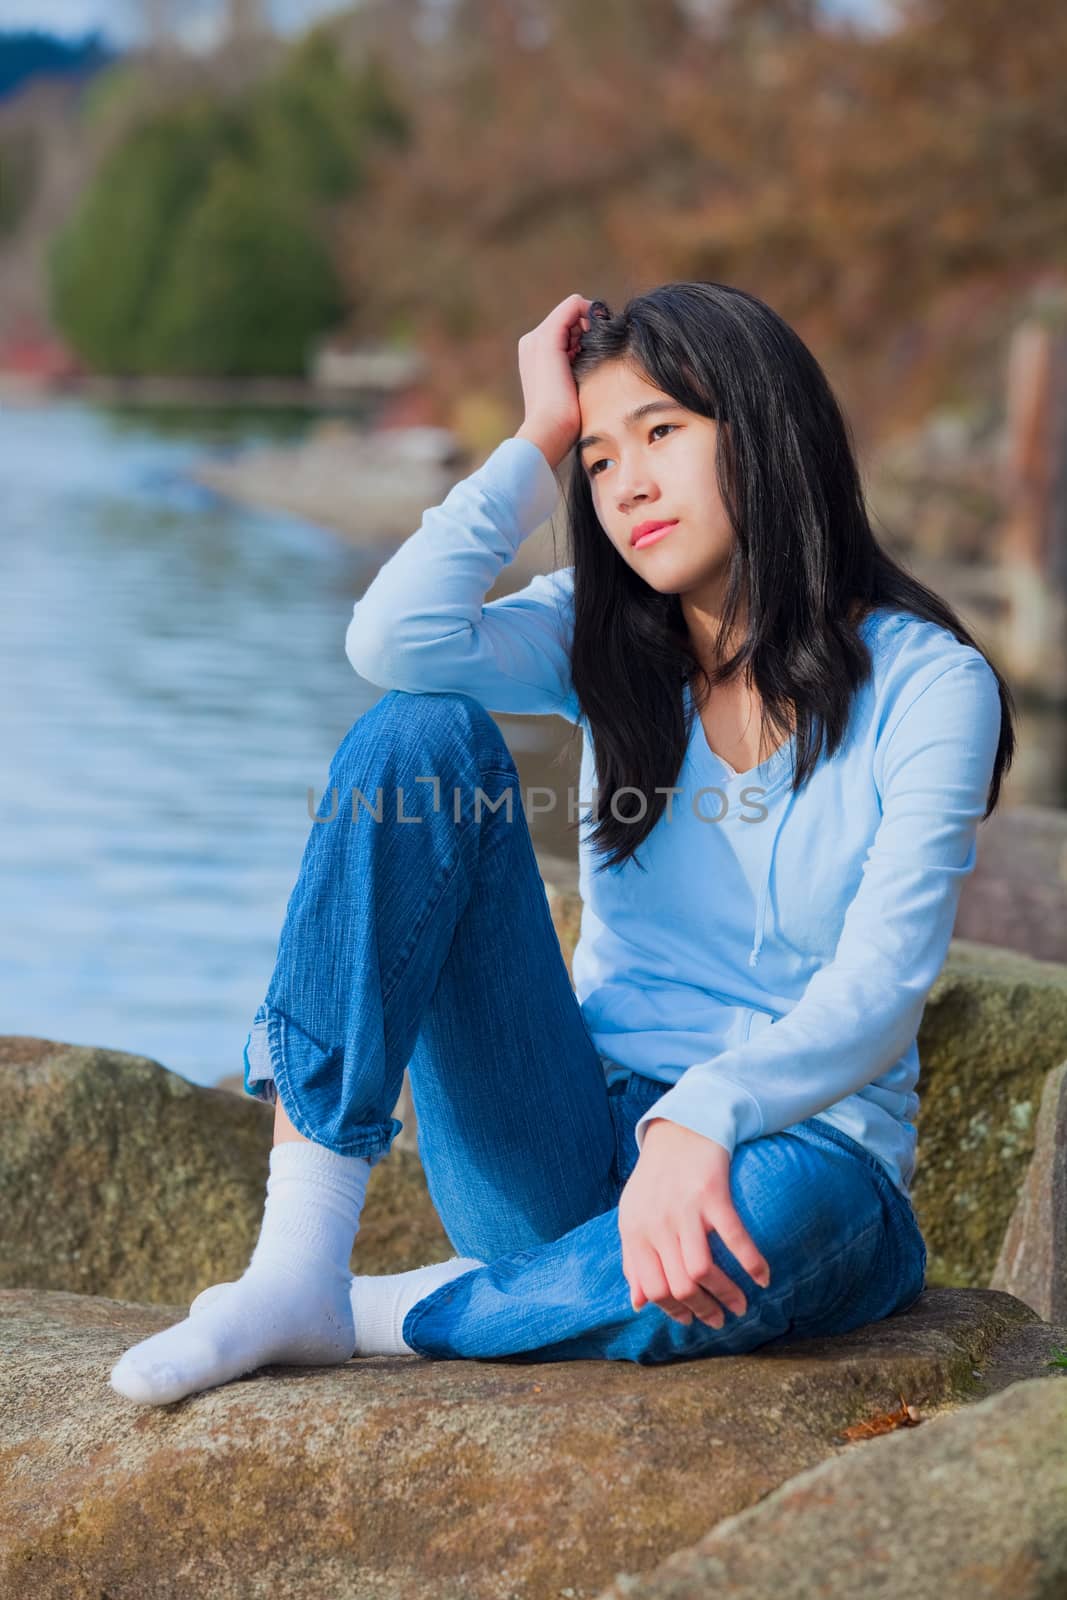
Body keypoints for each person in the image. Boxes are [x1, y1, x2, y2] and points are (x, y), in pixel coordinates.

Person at [110, 284, 1015, 1407]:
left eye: (660, 432)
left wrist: (703, 1116)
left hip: (796, 1156)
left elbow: (882, 984)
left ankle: (374, 1313)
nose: (625, 482)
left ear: (764, 425)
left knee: (776, 1217)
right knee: (415, 733)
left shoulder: (930, 684)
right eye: (596, 459)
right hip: (568, 1137)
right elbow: (393, 640)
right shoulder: (599, 627)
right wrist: (535, 435)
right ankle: (297, 1257)